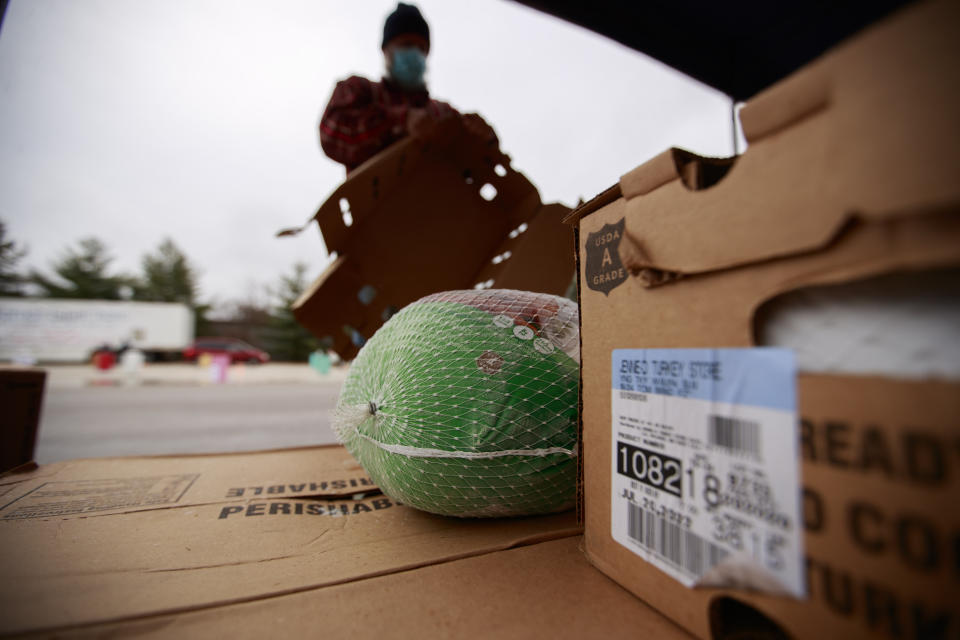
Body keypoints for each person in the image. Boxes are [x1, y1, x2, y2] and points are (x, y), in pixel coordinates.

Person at [319, 3, 497, 173]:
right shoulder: (359, 90)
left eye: (421, 48)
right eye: (406, 45)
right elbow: (332, 135)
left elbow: (483, 165)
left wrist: (484, 139)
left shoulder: (441, 112)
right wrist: (401, 122)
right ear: (386, 50)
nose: (415, 54)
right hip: (381, 204)